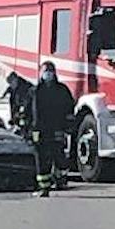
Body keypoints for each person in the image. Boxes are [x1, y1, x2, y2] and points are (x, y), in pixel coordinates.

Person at [28, 62, 75, 198]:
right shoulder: (35, 91)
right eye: (45, 70)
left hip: (57, 129)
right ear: (40, 73)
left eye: (50, 70)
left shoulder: (62, 90)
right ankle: (44, 188)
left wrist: (68, 126)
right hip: (40, 131)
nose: (48, 73)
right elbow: (29, 112)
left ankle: (60, 179)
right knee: (41, 160)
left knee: (59, 156)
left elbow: (69, 108)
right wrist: (29, 129)